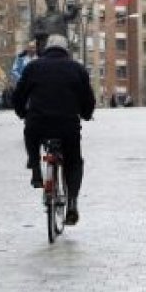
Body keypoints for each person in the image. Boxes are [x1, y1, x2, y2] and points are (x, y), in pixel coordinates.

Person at [12, 33, 95, 226]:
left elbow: (18, 96)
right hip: (67, 124)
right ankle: (72, 202)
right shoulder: (77, 69)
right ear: (66, 50)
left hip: (38, 122)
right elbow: (88, 99)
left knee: (30, 133)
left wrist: (23, 113)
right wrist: (86, 114)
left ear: (46, 49)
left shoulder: (33, 67)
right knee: (73, 161)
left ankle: (35, 167)